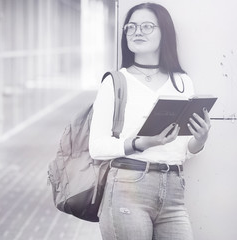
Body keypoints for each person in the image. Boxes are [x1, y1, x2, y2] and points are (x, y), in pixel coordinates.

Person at [89, 3, 210, 240]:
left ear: (164, 32)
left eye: (146, 26)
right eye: (131, 27)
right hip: (127, 186)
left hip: (174, 191)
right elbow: (96, 147)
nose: (137, 32)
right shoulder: (115, 82)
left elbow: (182, 150)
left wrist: (200, 140)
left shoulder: (182, 82)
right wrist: (141, 143)